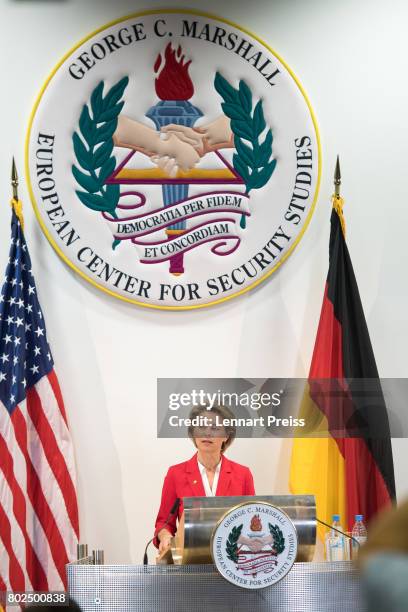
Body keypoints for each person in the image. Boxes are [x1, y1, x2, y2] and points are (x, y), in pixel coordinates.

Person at [154, 404, 255, 554]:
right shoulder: (176, 474)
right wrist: (165, 536)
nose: (207, 433)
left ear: (226, 435)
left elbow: (251, 519)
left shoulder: (242, 474)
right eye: (201, 427)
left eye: (215, 428)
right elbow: (164, 523)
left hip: (232, 558)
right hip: (190, 560)